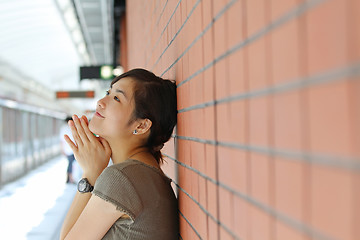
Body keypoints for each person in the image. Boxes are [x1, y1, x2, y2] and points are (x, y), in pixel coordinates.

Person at [60, 68, 179, 239]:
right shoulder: (140, 174)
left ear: (141, 126)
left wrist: (91, 175)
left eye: (116, 98)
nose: (100, 102)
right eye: (108, 92)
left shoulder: (122, 178)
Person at [60, 116, 76, 184]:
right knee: (73, 164)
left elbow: (61, 141)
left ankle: (69, 178)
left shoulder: (63, 128)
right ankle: (71, 178)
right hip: (74, 149)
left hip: (67, 150)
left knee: (70, 164)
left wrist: (62, 150)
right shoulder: (74, 127)